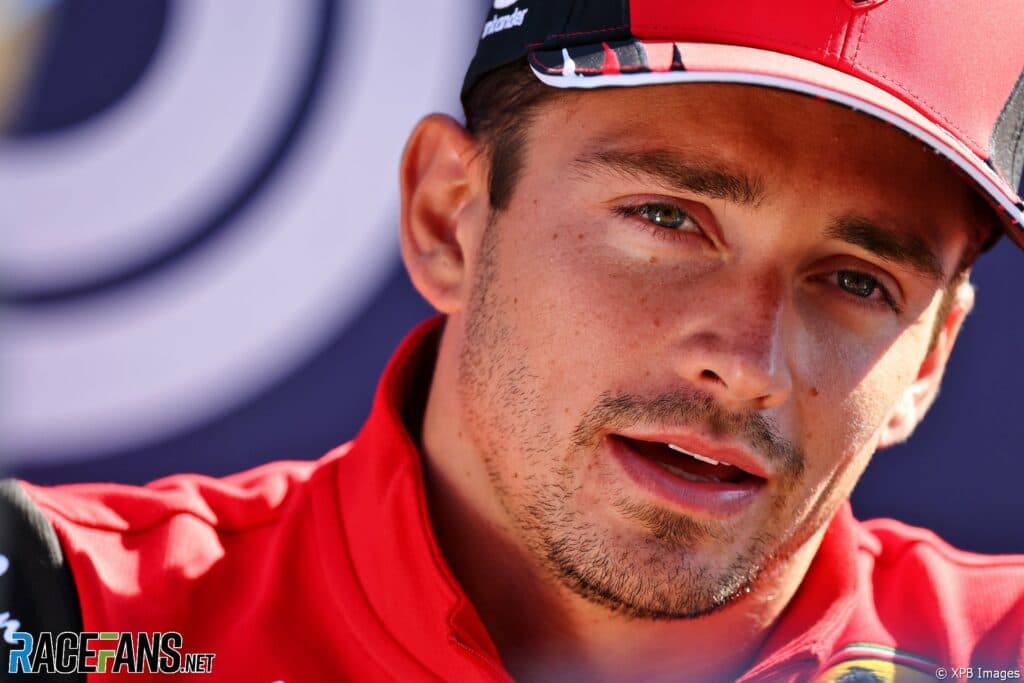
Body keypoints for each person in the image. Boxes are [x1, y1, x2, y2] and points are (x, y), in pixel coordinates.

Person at [3, 1, 1023, 681]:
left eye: (855, 280)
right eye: (668, 219)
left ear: (926, 359)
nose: (748, 362)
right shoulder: (71, 620)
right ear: (450, 215)